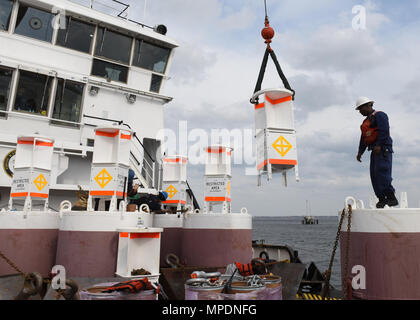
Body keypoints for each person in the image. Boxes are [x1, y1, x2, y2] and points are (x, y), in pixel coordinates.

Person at [355, 97, 398, 208]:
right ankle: (382, 199)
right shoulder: (366, 121)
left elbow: (384, 131)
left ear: (368, 105)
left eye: (361, 109)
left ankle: (391, 198)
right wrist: (360, 152)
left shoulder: (380, 115)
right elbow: (363, 138)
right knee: (374, 175)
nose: (360, 112)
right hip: (374, 150)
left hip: (383, 149)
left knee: (382, 173)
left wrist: (379, 144)